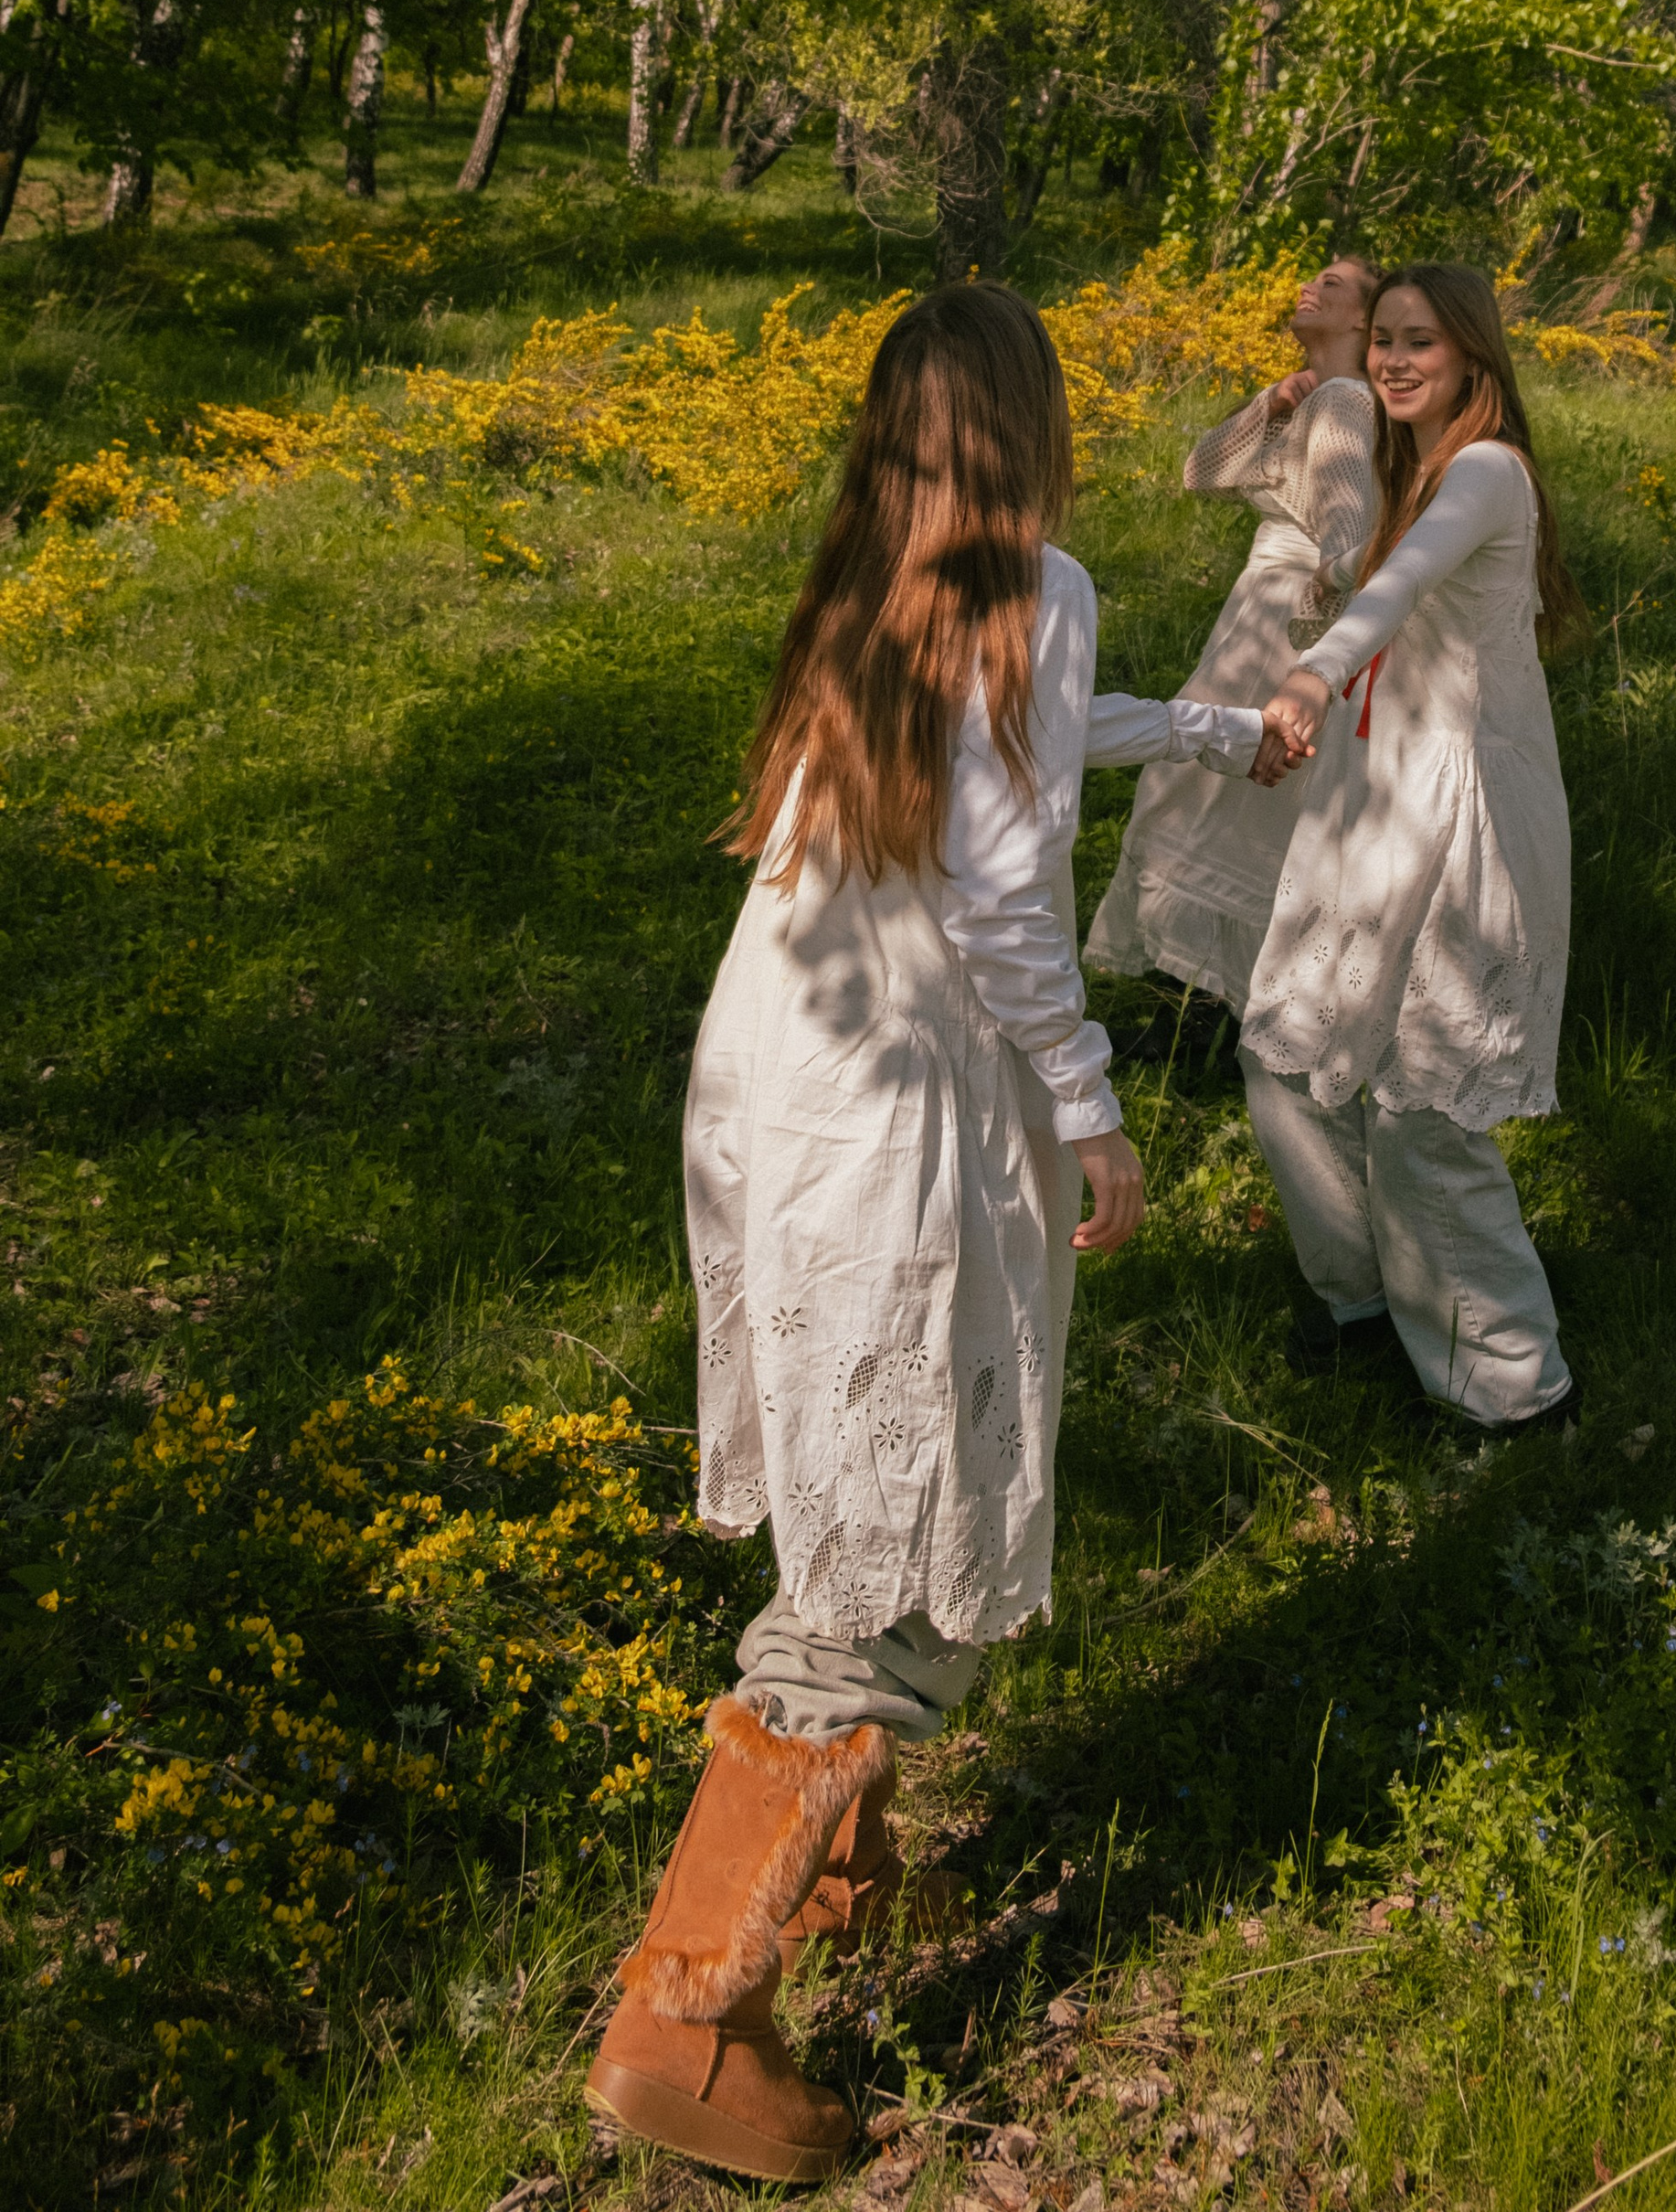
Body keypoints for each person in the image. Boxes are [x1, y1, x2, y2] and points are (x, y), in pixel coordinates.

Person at [586, 285, 1264, 2183]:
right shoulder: (1032, 594)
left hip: (773, 1088)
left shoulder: (876, 582)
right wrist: (1092, 1102)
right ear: (1032, 423)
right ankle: (684, 2025)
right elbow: (997, 881)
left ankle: (832, 1876)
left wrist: (1207, 730)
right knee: (880, 1571)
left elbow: (1015, 758)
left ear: (895, 435)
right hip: (893, 1115)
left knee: (849, 1479)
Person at [1241, 263, 1584, 1430]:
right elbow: (1230, 476)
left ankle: (1514, 1392)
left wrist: (1309, 669)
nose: (1395, 359)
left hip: (1466, 816)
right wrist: (1317, 393)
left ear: (1473, 356)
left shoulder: (1483, 473)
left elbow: (1390, 593)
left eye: (1418, 342)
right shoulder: (1401, 461)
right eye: (1382, 339)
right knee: (1286, 1056)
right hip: (1371, 800)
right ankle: (1363, 1308)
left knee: (1425, 1111)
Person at [1087, 256, 1377, 1028]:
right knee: (1218, 799)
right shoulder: (1311, 395)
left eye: (1335, 285)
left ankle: (1214, 1014)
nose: (1308, 286)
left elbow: (1350, 545)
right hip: (1259, 615)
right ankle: (1207, 1007)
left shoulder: (1348, 405)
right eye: (1310, 276)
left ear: (1362, 321)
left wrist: (1307, 646)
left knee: (1208, 791)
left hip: (1287, 622)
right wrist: (1271, 403)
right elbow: (1199, 471)